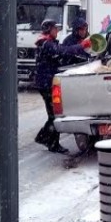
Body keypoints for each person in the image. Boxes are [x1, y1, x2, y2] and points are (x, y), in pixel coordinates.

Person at [34, 19, 91, 154]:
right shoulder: (46, 44)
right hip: (46, 83)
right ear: (49, 30)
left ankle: (45, 138)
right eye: (54, 28)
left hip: (48, 81)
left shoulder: (48, 42)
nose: (57, 31)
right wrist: (82, 46)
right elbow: (63, 51)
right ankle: (49, 141)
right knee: (55, 114)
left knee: (54, 114)